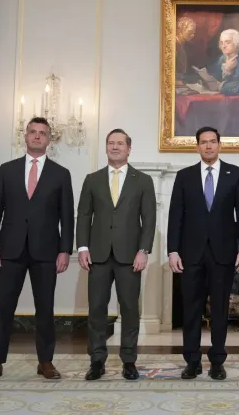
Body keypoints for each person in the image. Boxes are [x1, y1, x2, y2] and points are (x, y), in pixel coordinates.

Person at [0, 117, 74, 382]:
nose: (37, 136)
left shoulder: (61, 174)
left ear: (49, 139)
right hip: (9, 250)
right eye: (33, 131)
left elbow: (67, 217)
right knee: (4, 308)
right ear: (26, 136)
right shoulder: (6, 170)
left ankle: (45, 361)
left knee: (45, 309)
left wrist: (65, 250)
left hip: (46, 251)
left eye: (42, 133)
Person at [167, 126, 239, 380]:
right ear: (197, 146)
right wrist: (173, 250)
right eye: (203, 142)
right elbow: (175, 216)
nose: (208, 146)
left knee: (220, 309)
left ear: (219, 145)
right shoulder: (184, 176)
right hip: (190, 254)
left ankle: (217, 361)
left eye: (212, 141)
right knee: (191, 309)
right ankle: (192, 361)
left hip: (223, 253)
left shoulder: (235, 174)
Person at [76, 129, 156, 381]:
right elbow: (84, 215)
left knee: (130, 309)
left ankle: (129, 361)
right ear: (106, 148)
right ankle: (96, 361)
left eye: (120, 143)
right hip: (97, 255)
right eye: (110, 143)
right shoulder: (92, 179)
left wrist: (143, 250)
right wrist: (82, 247)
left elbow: (149, 219)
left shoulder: (143, 180)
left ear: (129, 149)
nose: (114, 147)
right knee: (97, 309)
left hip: (130, 256)